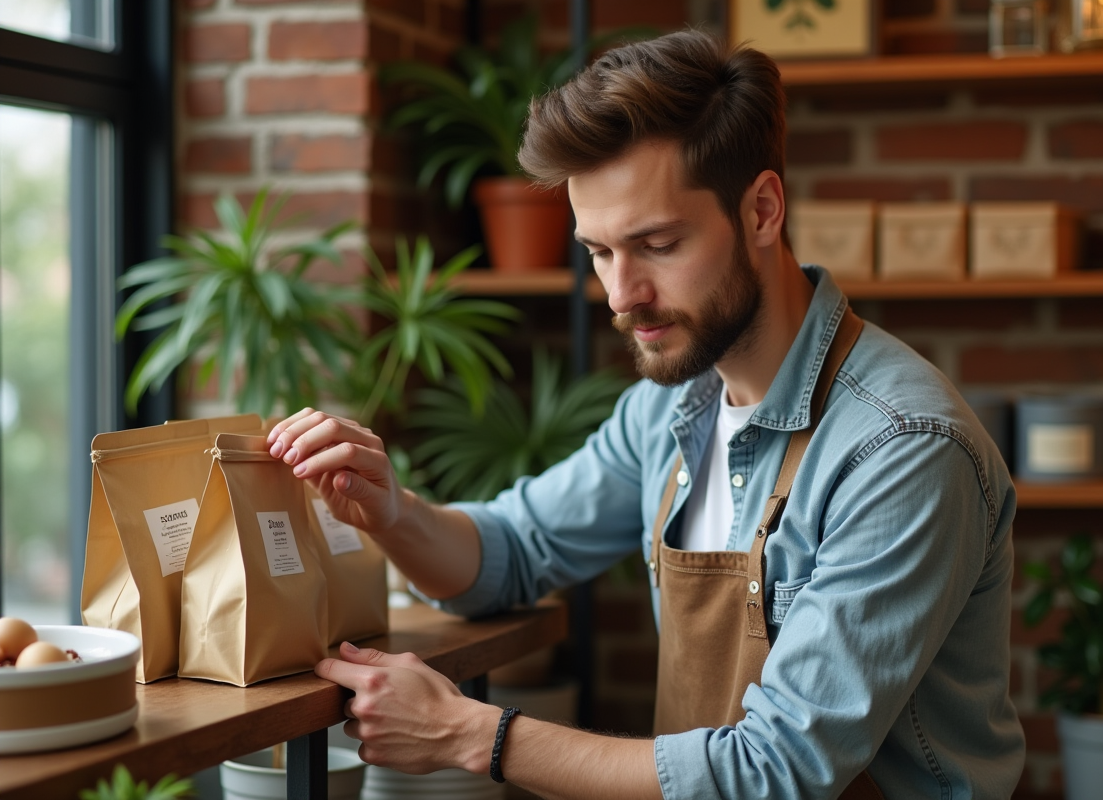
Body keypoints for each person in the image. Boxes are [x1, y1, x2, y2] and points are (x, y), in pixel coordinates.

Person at [266, 30, 1024, 800]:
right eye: (597, 252)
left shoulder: (903, 449)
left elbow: (777, 772)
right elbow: (512, 552)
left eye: (656, 243)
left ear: (762, 209)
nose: (621, 294)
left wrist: (470, 734)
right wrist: (391, 510)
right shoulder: (668, 409)